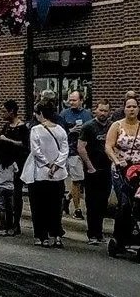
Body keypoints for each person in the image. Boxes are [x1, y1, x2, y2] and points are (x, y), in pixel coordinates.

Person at [22, 96, 68, 247]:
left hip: (39, 173)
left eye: (36, 112)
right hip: (58, 174)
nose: (35, 115)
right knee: (55, 206)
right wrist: (56, 165)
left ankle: (41, 236)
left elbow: (36, 151)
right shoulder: (61, 130)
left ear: (41, 113)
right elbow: (65, 150)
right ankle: (55, 235)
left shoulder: (36, 129)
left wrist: (47, 164)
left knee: (38, 206)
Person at [104, 92, 140, 254]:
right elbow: (108, 146)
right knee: (125, 203)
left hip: (138, 170)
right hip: (121, 170)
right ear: (124, 109)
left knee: (137, 204)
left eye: (134, 106)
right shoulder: (117, 126)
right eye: (128, 106)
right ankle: (120, 238)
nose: (131, 109)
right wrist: (116, 161)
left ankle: (134, 234)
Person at [76, 98, 113, 245]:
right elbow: (81, 147)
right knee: (92, 202)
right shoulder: (88, 127)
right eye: (101, 110)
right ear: (95, 110)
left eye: (106, 110)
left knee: (103, 202)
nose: (103, 113)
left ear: (109, 112)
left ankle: (100, 232)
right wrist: (90, 166)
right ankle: (92, 233)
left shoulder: (112, 126)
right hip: (92, 170)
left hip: (107, 169)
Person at [0, 100, 30, 234]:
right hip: (5, 164)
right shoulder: (6, 126)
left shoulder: (22, 128)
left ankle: (15, 224)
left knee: (15, 194)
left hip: (17, 165)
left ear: (11, 112)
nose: (2, 114)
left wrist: (7, 140)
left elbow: (24, 145)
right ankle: (5, 223)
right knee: (3, 194)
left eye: (4, 111)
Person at [57, 89, 93, 219]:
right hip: (72, 150)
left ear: (81, 101)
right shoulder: (64, 114)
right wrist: (71, 130)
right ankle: (77, 210)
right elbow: (58, 134)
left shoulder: (88, 115)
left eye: (74, 100)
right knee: (77, 180)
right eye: (70, 100)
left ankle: (67, 199)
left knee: (83, 179)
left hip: (86, 150)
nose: (71, 102)